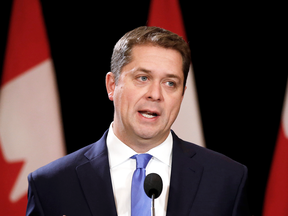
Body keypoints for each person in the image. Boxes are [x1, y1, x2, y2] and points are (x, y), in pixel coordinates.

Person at [26, 26, 250, 216]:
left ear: (182, 95)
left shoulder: (227, 180)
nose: (155, 94)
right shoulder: (51, 184)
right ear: (112, 85)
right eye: (143, 78)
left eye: (170, 83)